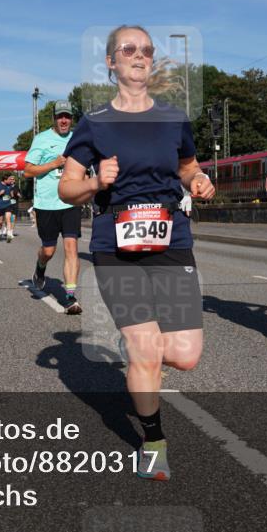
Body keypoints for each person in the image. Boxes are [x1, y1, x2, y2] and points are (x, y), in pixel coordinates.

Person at [59, 25, 215, 481]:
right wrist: (94, 181)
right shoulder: (94, 123)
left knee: (185, 355)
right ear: (111, 62)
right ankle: (153, 441)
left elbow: (188, 167)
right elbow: (67, 187)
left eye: (147, 50)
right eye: (129, 50)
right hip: (115, 245)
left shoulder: (173, 118)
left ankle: (141, 356)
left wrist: (198, 181)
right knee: (146, 349)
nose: (140, 56)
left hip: (171, 241)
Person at [25, 100, 84, 314]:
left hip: (69, 202)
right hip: (46, 204)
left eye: (67, 116)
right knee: (48, 250)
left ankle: (70, 297)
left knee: (71, 247)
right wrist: (54, 163)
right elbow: (28, 171)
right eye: (60, 116)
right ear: (54, 118)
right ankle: (40, 268)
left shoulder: (78, 139)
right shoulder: (41, 140)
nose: (64, 120)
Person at [0, 174, 19, 242]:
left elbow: (12, 193)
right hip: (0, 205)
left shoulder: (10, 185)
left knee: (8, 219)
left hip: (8, 205)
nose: (11, 181)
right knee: (0, 222)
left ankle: (9, 234)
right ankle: (0, 232)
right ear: (5, 180)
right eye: (9, 179)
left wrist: (13, 194)